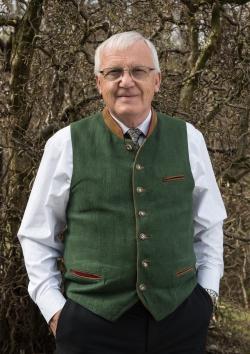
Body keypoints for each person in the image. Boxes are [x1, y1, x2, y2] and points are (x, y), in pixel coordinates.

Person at [18, 31, 227, 354]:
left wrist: (207, 296)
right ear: (98, 83)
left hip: (179, 321)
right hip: (91, 325)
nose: (126, 81)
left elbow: (209, 224)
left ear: (156, 81)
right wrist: (56, 311)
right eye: (114, 72)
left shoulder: (189, 139)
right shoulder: (65, 144)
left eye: (138, 71)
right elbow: (36, 234)